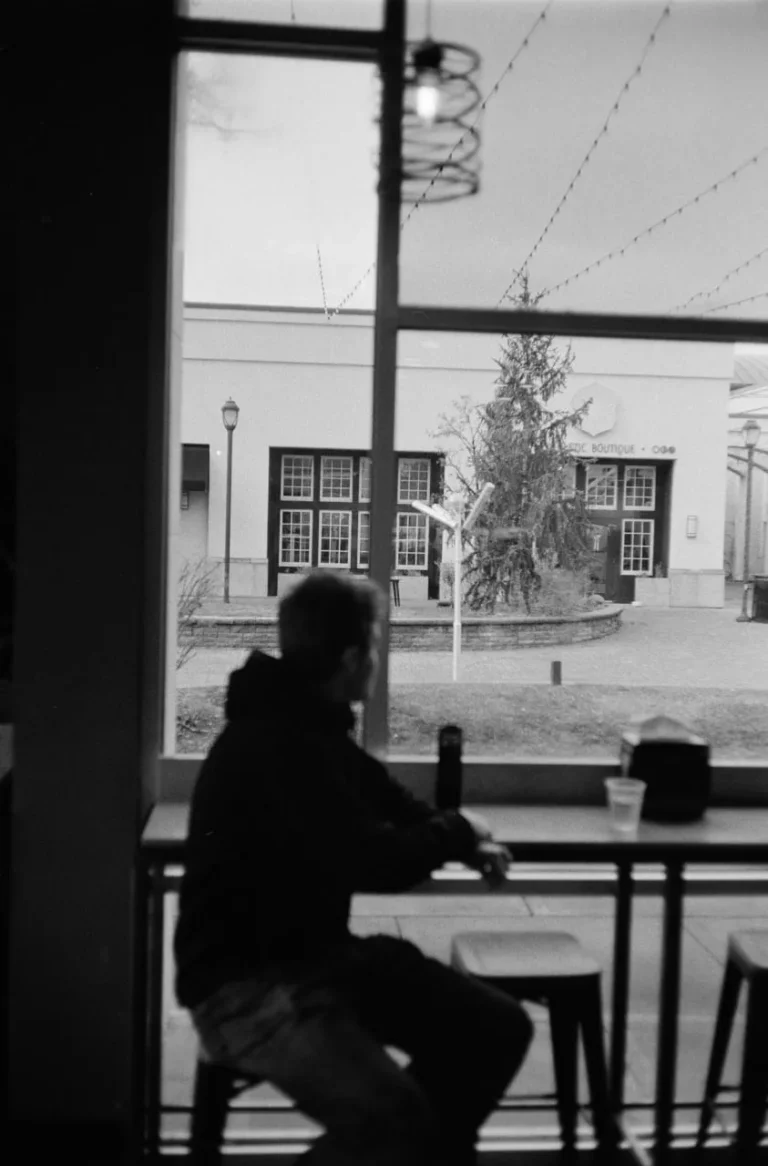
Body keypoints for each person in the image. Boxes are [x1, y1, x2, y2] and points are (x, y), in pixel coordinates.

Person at [174, 570, 533, 1166]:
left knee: (496, 1031)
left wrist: (460, 841)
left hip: (312, 959)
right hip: (248, 988)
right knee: (398, 1122)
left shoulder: (305, 720)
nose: (377, 661)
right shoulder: (278, 747)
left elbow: (384, 796)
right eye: (375, 647)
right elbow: (374, 861)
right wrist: (461, 829)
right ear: (349, 659)